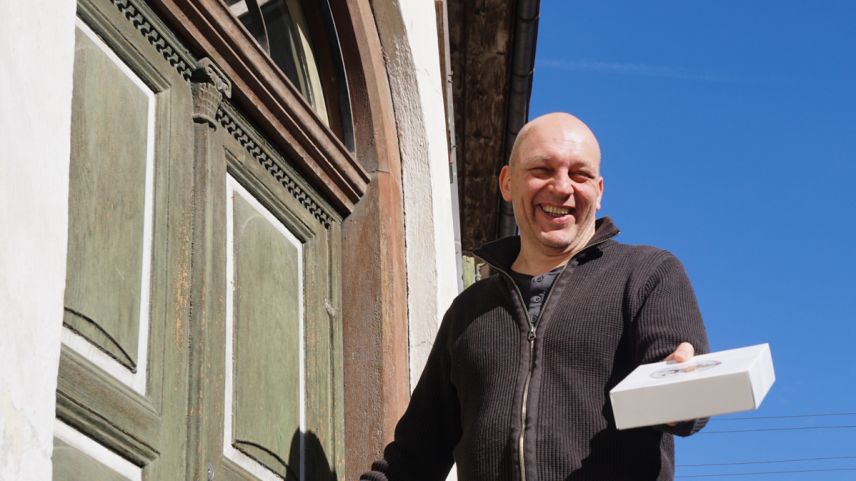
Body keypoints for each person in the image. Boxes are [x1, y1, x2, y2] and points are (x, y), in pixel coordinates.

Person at [360, 113, 710, 481]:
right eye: (543, 169)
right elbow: (414, 458)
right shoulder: (469, 311)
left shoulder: (648, 274)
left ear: (600, 190)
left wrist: (680, 385)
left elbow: (686, 397)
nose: (562, 188)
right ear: (508, 182)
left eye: (580, 174)